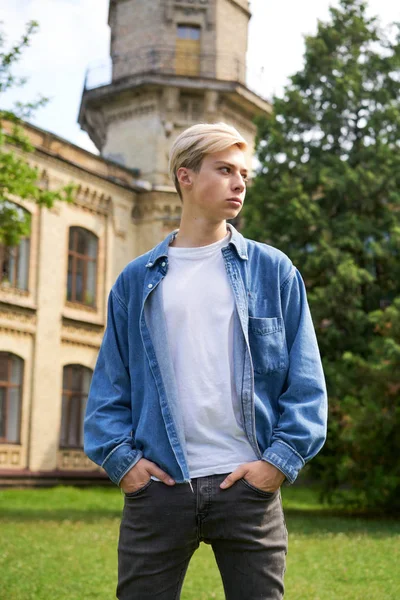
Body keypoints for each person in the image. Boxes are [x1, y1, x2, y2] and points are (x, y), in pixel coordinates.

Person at [84, 122, 328, 600]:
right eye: (224, 169)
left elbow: (306, 382)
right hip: (159, 488)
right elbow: (110, 388)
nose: (239, 182)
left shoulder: (273, 271)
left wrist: (274, 465)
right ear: (185, 177)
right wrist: (126, 466)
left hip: (249, 488)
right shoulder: (136, 281)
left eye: (244, 174)